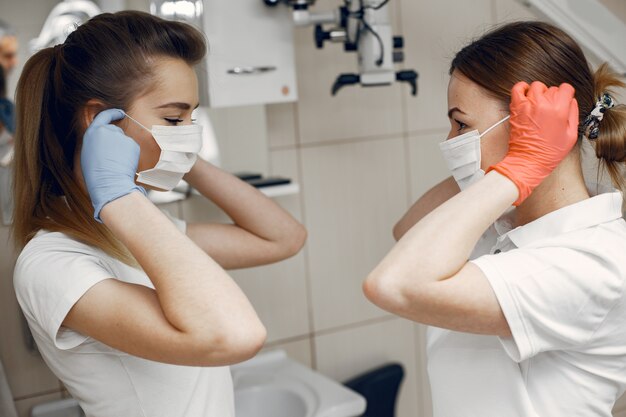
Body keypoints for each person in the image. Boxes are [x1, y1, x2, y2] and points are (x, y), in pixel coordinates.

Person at [11, 11, 307, 417]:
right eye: (173, 118)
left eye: (192, 117)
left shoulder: (133, 232)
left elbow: (282, 237)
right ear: (100, 122)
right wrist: (117, 196)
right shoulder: (54, 264)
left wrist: (182, 154)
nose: (188, 130)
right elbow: (234, 336)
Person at [363, 21, 626, 416]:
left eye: (462, 124)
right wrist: (514, 167)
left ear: (528, 127)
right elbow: (408, 234)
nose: (452, 141)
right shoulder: (507, 217)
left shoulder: (594, 260)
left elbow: (395, 284)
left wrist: (521, 164)